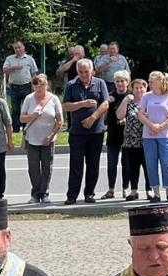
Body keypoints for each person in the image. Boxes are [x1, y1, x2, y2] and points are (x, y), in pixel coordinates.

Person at [63, 59, 109, 205]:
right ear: (77, 72)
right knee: (76, 165)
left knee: (93, 164)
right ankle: (72, 195)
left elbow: (105, 103)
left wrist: (93, 118)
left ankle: (89, 193)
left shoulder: (100, 83)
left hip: (96, 131)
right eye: (81, 72)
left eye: (86, 71)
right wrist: (82, 104)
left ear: (92, 71)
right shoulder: (71, 85)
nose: (83, 74)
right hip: (77, 132)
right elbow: (66, 106)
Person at [20, 74, 63, 205]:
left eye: (41, 86)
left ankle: (44, 193)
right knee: (33, 167)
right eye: (36, 86)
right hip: (32, 138)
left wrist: (51, 135)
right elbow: (22, 118)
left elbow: (60, 121)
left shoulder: (54, 99)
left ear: (47, 85)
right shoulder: (29, 99)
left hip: (48, 138)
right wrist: (32, 116)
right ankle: (35, 193)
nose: (38, 89)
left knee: (46, 166)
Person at [138, 71, 168, 203]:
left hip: (166, 135)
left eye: (151, 82)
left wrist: (160, 126)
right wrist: (151, 125)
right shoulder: (146, 97)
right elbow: (141, 114)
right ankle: (156, 192)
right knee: (151, 163)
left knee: (167, 163)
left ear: (160, 82)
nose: (149, 84)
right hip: (149, 135)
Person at [102, 71, 131, 200]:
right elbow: (104, 117)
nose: (120, 83)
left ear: (127, 82)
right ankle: (111, 189)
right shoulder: (110, 97)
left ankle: (125, 188)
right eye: (117, 81)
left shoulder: (131, 97)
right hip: (113, 134)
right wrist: (107, 105)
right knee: (111, 164)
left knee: (127, 164)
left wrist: (127, 120)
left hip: (128, 135)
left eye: (122, 81)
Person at [118, 77, 148, 201]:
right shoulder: (129, 102)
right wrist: (125, 100)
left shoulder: (149, 101)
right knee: (133, 167)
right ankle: (134, 190)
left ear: (146, 88)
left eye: (141, 87)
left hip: (147, 140)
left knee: (148, 167)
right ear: (132, 89)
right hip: (131, 140)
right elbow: (119, 115)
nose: (139, 90)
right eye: (136, 87)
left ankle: (150, 190)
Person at [3, 41, 38, 133]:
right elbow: (5, 69)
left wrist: (35, 86)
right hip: (14, 86)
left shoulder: (29, 59)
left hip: (26, 85)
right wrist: (15, 67)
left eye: (19, 47)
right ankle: (16, 128)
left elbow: (34, 73)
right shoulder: (9, 58)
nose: (18, 50)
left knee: (27, 107)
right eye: (16, 48)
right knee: (15, 108)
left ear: (23, 47)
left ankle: (26, 127)